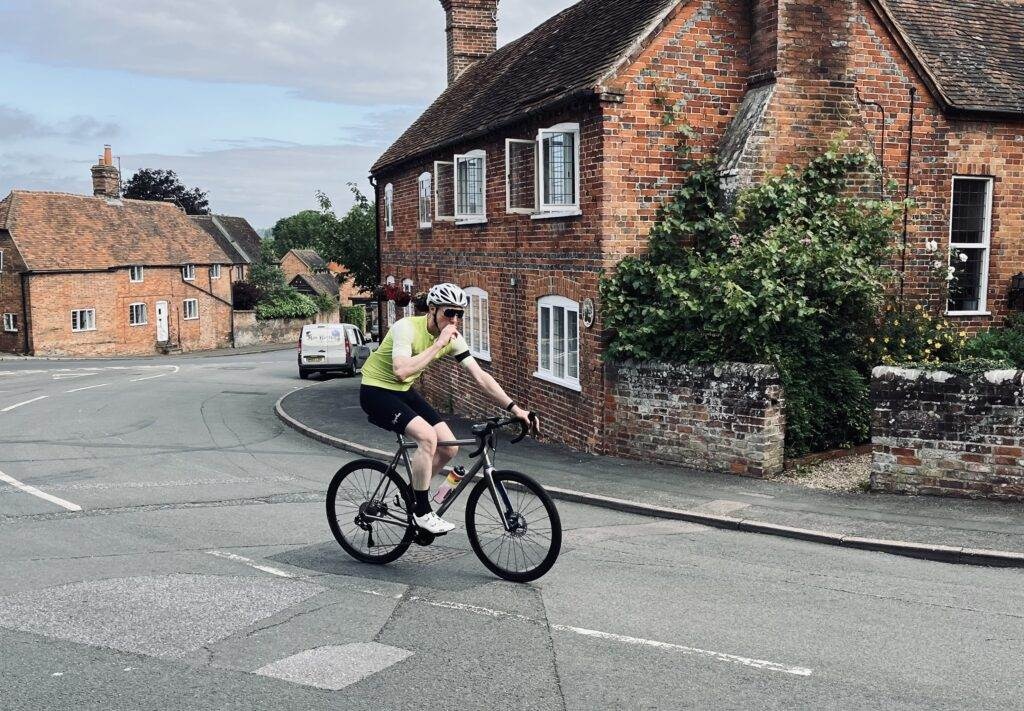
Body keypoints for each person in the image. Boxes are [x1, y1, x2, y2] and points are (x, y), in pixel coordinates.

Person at [359, 283, 537, 534]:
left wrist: (515, 409)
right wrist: (437, 344)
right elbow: (401, 372)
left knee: (450, 447)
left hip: (403, 393)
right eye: (448, 313)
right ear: (432, 310)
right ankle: (421, 512)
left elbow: (480, 376)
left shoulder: (453, 338)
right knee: (427, 437)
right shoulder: (406, 328)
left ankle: (410, 495)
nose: (454, 319)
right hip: (376, 391)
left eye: (459, 314)